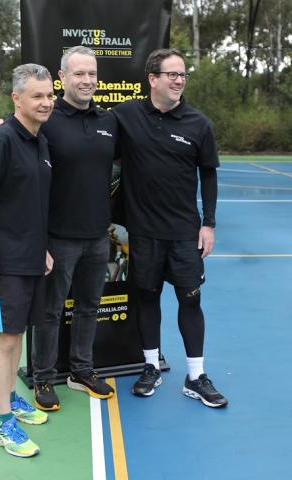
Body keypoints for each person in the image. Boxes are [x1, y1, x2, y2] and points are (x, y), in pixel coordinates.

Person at [0, 46, 116, 411]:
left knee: (89, 307)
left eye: (91, 73)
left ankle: (81, 371)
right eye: (78, 74)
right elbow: (15, 127)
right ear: (63, 77)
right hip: (56, 238)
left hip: (97, 236)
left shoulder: (109, 122)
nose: (86, 80)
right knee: (49, 313)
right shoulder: (46, 120)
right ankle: (43, 377)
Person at [113, 48, 228, 407]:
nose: (179, 80)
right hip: (142, 232)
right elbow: (80, 123)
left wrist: (208, 223)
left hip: (183, 234)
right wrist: (10, 120)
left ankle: (196, 376)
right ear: (152, 78)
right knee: (146, 299)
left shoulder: (198, 123)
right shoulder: (125, 115)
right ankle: (150, 366)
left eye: (182, 75)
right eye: (172, 74)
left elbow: (208, 175)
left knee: (190, 302)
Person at [0, 63, 55, 457]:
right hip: (3, 263)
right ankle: (3, 424)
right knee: (4, 340)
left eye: (49, 95)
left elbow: (30, 203)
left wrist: (43, 249)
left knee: (16, 334)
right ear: (16, 98)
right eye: (37, 96)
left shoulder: (39, 141)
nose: (46, 102)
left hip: (31, 258)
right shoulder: (1, 139)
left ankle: (10, 399)